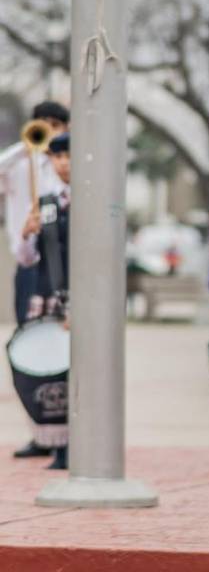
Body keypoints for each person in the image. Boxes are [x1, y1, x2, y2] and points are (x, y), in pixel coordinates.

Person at [4, 101, 67, 460]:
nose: (48, 129)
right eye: (42, 124)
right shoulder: (20, 164)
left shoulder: (63, 166)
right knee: (28, 346)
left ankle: (61, 434)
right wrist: (28, 143)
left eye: (55, 124)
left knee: (56, 348)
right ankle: (40, 431)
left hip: (58, 267)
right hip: (29, 263)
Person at [15, 132, 72, 469]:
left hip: (77, 299)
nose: (63, 162)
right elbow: (25, 258)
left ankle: (71, 446)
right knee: (47, 372)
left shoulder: (93, 202)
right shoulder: (45, 201)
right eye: (57, 156)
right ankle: (52, 439)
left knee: (73, 374)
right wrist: (26, 232)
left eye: (68, 156)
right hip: (46, 295)